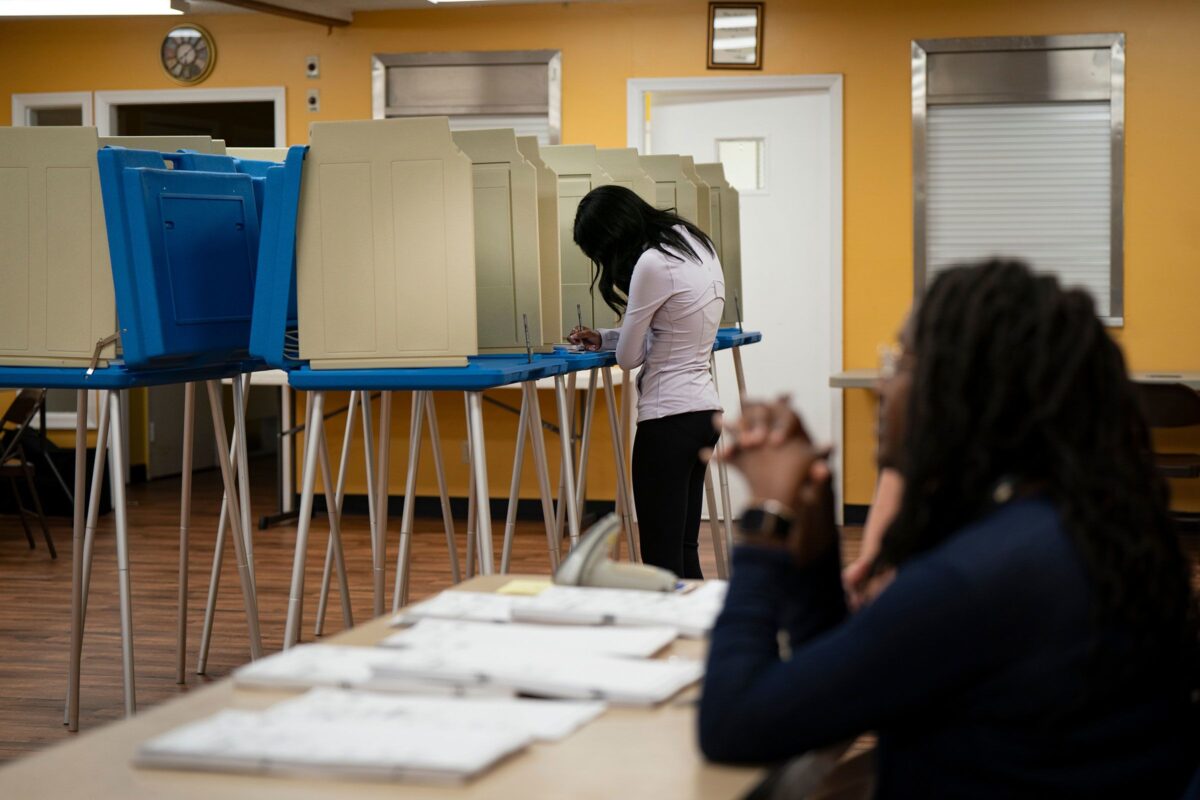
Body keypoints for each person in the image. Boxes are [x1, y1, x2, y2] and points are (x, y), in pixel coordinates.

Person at [700, 260, 1199, 798]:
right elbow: (840, 692)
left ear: (970, 389)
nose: (884, 385)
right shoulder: (1064, 527)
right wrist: (815, 544)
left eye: (903, 362)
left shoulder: (980, 578)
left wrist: (765, 522)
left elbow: (736, 725)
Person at [568, 185, 725, 579]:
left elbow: (630, 358)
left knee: (660, 559)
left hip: (666, 420)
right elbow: (668, 328)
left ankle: (677, 635)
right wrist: (604, 336)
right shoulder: (694, 243)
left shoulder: (652, 263)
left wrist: (616, 341)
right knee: (683, 550)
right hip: (704, 414)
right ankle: (699, 633)